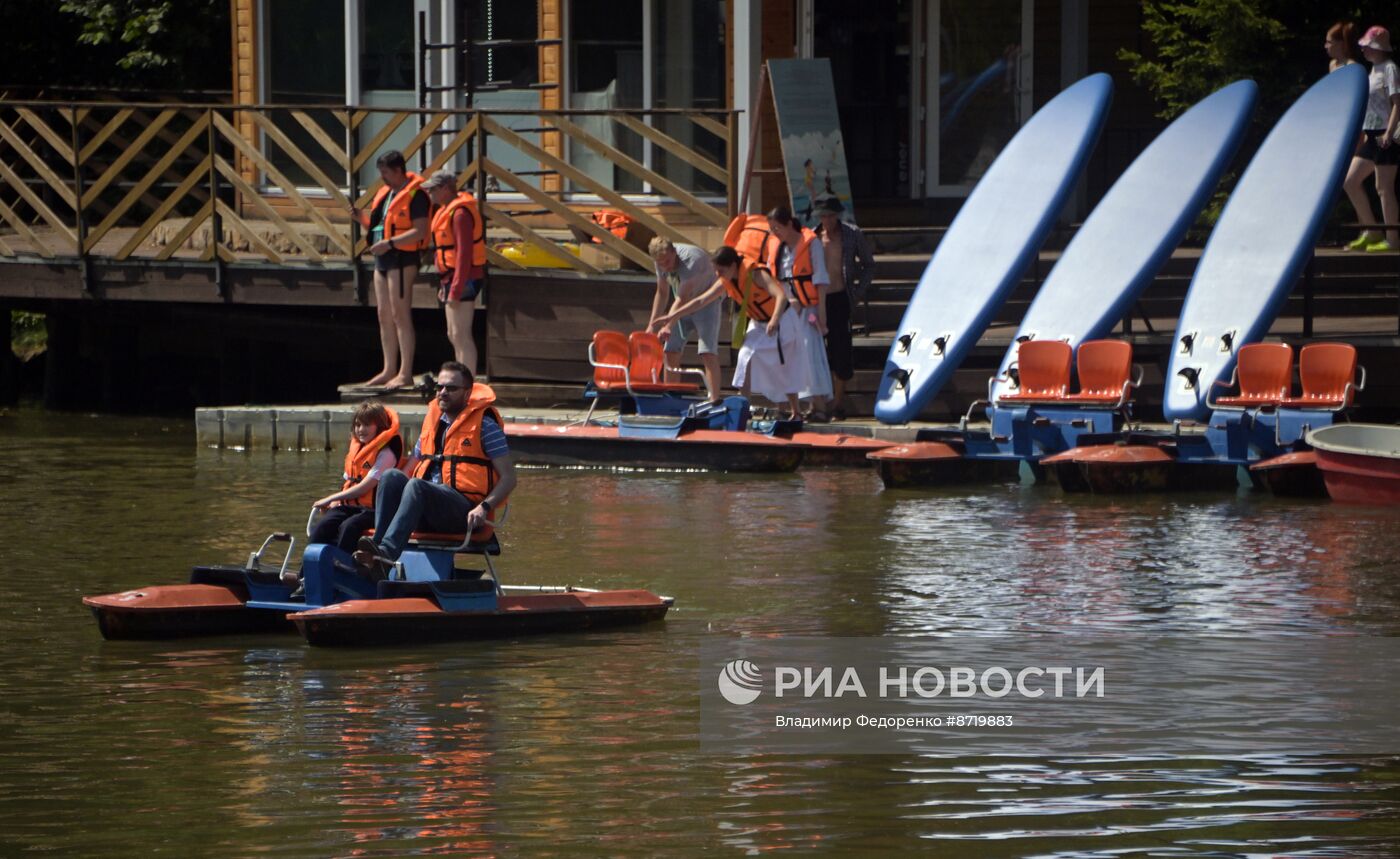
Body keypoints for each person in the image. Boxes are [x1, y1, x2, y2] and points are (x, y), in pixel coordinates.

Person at [354, 361, 517, 577]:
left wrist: (484, 508)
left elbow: (509, 478)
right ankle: (375, 554)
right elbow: (410, 469)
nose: (443, 392)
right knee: (391, 476)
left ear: (467, 393)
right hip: (426, 506)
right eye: (440, 387)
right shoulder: (432, 423)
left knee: (416, 486)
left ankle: (385, 556)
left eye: (451, 388)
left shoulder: (485, 425)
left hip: (464, 511)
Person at [654, 246, 805, 418]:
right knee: (744, 359)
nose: (718, 275)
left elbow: (780, 295)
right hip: (759, 322)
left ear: (733, 265)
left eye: (721, 270)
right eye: (716, 271)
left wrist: (775, 319)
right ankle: (744, 407)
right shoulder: (725, 280)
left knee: (784, 365)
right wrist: (672, 316)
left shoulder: (756, 274)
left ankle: (795, 411)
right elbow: (701, 300)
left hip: (782, 319)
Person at [350, 150, 431, 388]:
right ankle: (388, 369)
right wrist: (361, 219)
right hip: (382, 259)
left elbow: (420, 231)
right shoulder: (386, 194)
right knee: (383, 314)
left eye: (385, 172)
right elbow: (380, 226)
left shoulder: (416, 195)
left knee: (400, 314)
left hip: (402, 258)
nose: (382, 177)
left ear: (398, 170)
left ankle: (405, 372)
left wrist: (391, 243)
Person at [765, 205, 834, 421]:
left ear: (788, 224)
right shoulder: (777, 247)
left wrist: (822, 316)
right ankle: (797, 407)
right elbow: (775, 279)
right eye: (772, 229)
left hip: (810, 309)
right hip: (789, 309)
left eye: (778, 228)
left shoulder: (811, 243)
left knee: (811, 353)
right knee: (791, 356)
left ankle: (820, 406)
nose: (775, 233)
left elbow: (820, 280)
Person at [309, 401, 403, 553]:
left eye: (366, 425)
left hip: (375, 511)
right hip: (351, 507)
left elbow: (364, 487)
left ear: (379, 426)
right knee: (322, 527)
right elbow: (349, 481)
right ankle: (306, 572)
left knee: (349, 527)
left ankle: (343, 569)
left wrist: (329, 498)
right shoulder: (358, 449)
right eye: (358, 425)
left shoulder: (387, 452)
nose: (361, 430)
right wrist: (337, 502)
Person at [813, 197, 875, 420]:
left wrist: (857, 292)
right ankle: (821, 401)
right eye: (823, 216)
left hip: (841, 297)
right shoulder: (812, 236)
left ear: (837, 215)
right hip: (817, 300)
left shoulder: (851, 233)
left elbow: (869, 265)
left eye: (830, 215)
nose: (827, 220)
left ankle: (837, 403)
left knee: (841, 350)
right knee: (817, 351)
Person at [1343, 26, 1400, 253]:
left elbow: (1397, 103)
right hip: (1372, 133)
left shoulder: (1390, 69)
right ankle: (1372, 230)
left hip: (1387, 133)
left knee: (1383, 188)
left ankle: (1393, 240)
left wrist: (1389, 133)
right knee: (1350, 180)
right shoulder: (1373, 71)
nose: (1364, 50)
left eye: (1368, 46)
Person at [422, 169, 486, 373]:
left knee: (461, 333)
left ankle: (468, 384)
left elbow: (464, 255)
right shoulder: (447, 210)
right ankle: (462, 381)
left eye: (433, 189)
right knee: (453, 333)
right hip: (451, 278)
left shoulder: (460, 214)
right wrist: (445, 285)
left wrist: (455, 289)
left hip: (465, 279)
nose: (430, 193)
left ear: (445, 189)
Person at [646, 237, 723, 402]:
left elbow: (682, 298)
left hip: (705, 303)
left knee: (707, 352)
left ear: (674, 252)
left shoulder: (690, 261)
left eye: (667, 261)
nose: (665, 266)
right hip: (680, 304)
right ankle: (671, 397)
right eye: (661, 263)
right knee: (670, 350)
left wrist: (668, 325)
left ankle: (714, 399)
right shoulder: (660, 261)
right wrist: (651, 326)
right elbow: (662, 291)